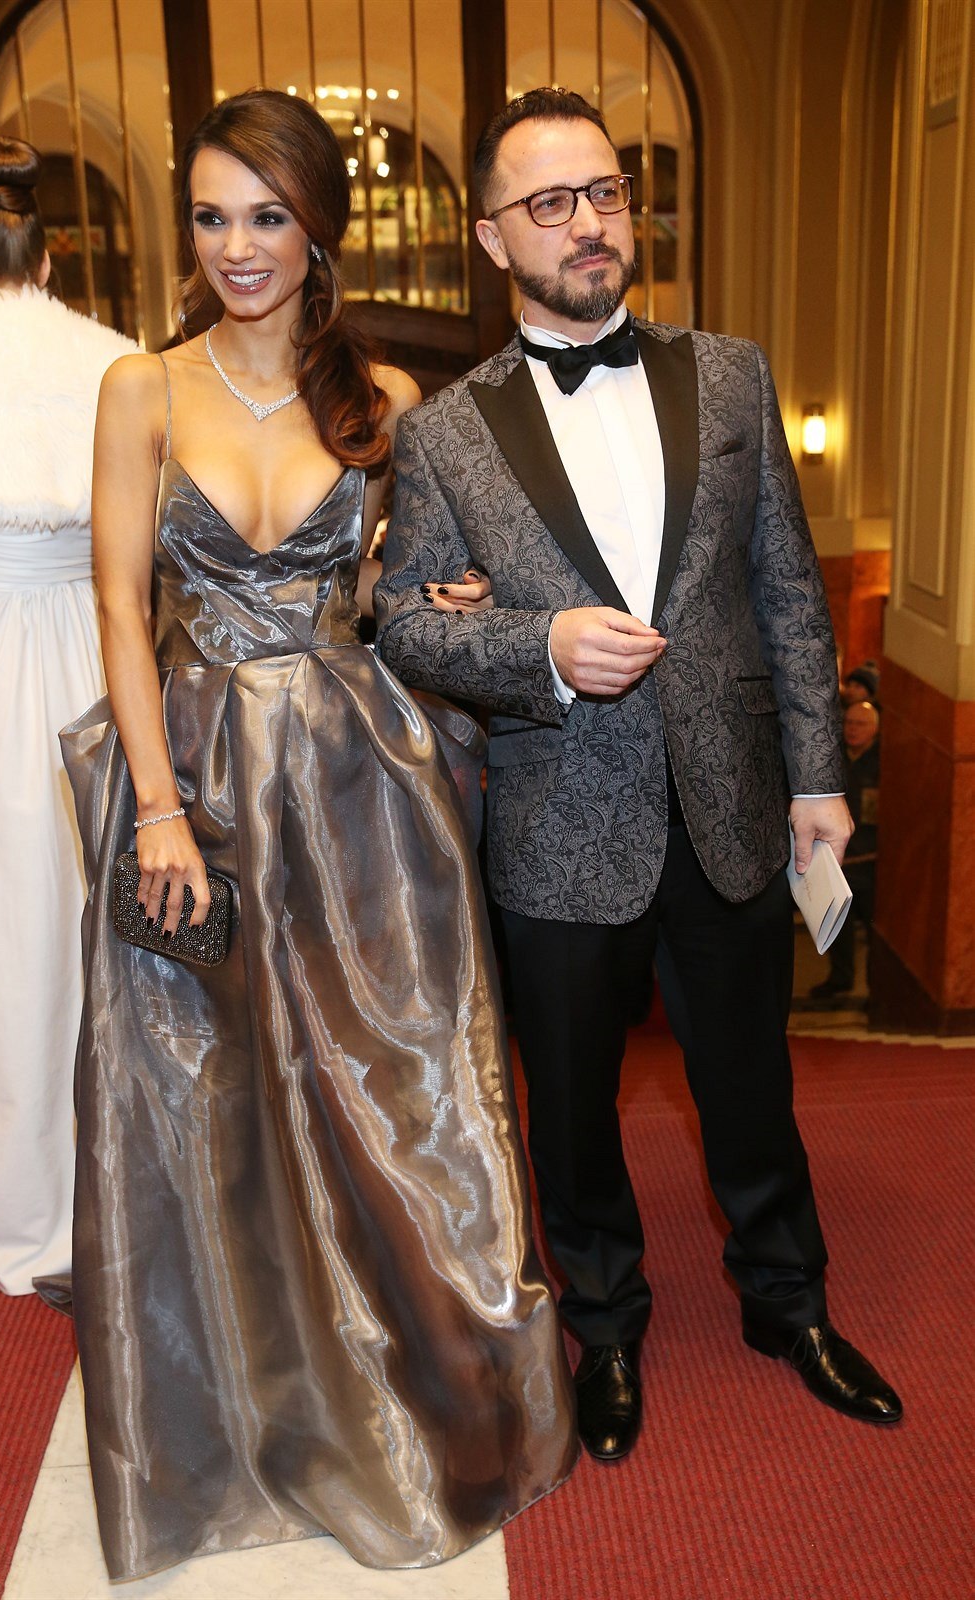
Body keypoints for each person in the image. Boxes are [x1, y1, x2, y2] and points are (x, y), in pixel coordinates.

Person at [56, 89, 576, 1582]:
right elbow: (118, 610)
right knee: (210, 1102)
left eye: (266, 216)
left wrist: (439, 601)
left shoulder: (384, 404)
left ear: (317, 231)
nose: (236, 247)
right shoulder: (140, 390)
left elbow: (388, 599)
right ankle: (251, 1419)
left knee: (398, 1087)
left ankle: (431, 1407)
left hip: (358, 786)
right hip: (200, 778)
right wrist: (159, 811)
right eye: (211, 216)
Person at [375, 87, 902, 1464]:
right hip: (554, 820)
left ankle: (788, 1305)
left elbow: (785, 590)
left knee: (750, 1083)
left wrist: (817, 776)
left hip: (730, 801)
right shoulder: (443, 432)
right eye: (547, 203)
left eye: (604, 192)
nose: (586, 223)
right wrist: (538, 645)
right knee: (570, 1108)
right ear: (491, 237)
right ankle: (604, 1328)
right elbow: (406, 622)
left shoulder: (729, 375)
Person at [0, 133, 134, 1295]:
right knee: (91, 925)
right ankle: (108, 1182)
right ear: (52, 253)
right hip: (102, 656)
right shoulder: (120, 359)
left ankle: (6, 1196)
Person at [811, 699, 881, 1000]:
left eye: (860, 724)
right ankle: (840, 978)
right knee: (837, 924)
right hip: (837, 859)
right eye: (849, 723)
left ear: (874, 729)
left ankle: (878, 989)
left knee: (875, 929)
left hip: (872, 860)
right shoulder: (834, 757)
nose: (853, 729)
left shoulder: (883, 762)